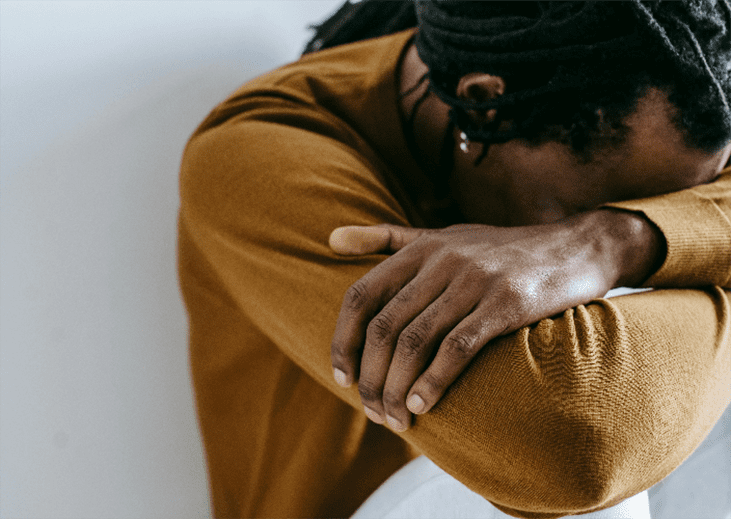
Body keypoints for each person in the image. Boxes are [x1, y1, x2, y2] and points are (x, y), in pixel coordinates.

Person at [177, 1, 731, 518]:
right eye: (587, 208)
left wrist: (612, 241)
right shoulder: (259, 156)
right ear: (486, 106)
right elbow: (576, 442)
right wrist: (699, 245)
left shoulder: (680, 97)